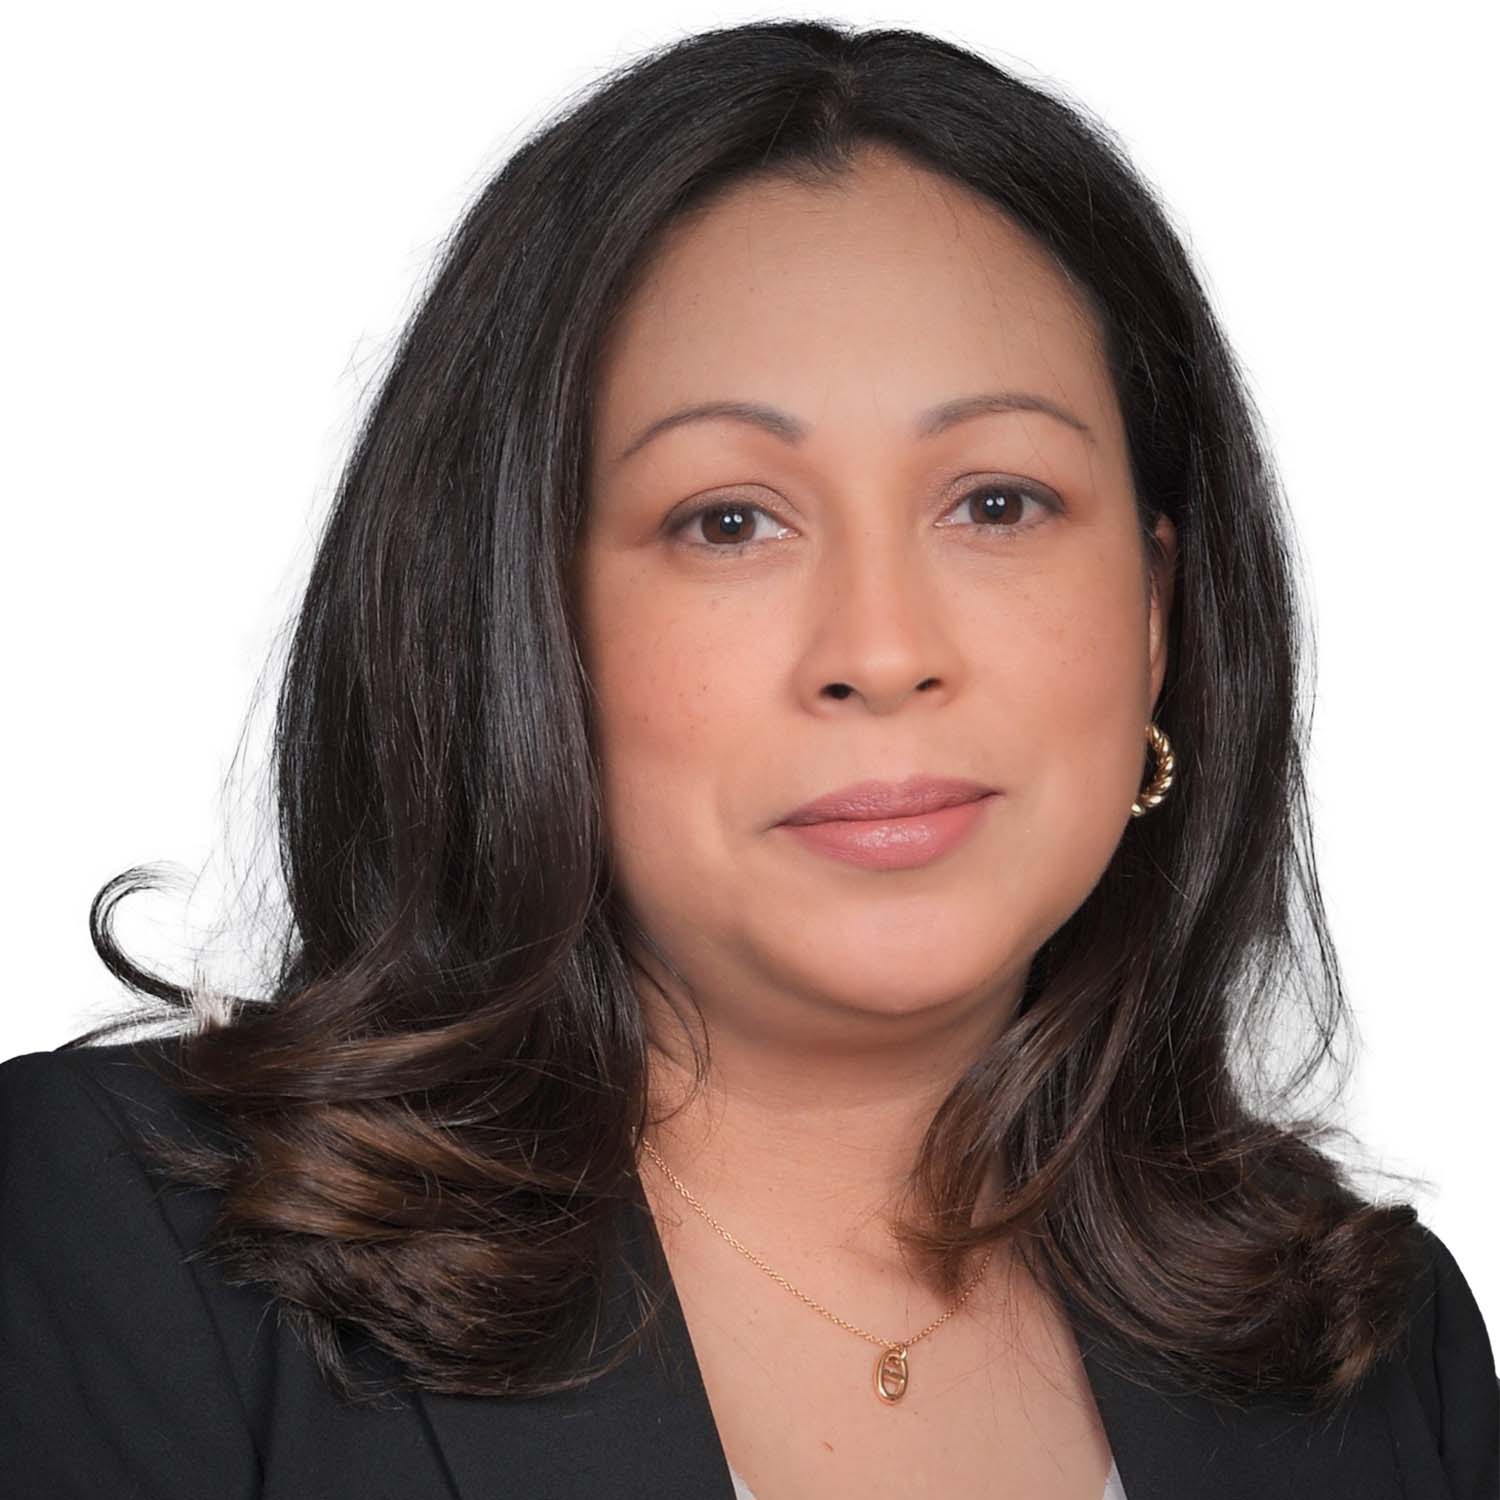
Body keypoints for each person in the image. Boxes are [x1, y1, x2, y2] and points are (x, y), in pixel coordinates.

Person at [1, 18, 1494, 1500]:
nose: (884, 650)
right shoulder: (129, 1249)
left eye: (997, 503)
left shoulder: (1381, 1351)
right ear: (522, 621)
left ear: (1156, 615)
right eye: (729, 521)